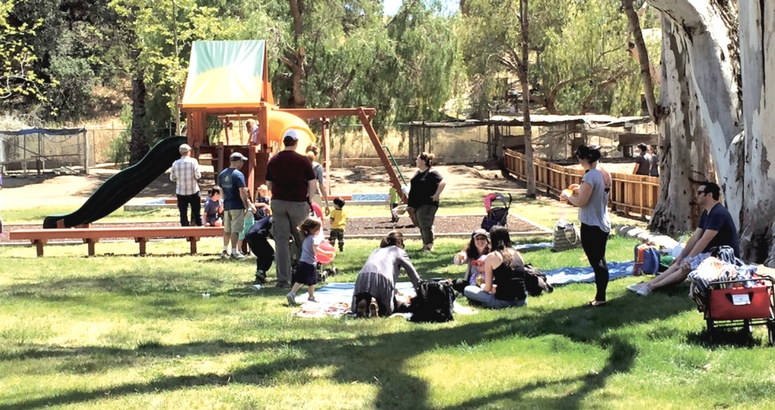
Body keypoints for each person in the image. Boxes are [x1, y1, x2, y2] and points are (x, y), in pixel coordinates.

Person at [627, 182, 740, 296]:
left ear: (709, 195)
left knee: (686, 267)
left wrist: (690, 258)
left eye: (700, 192)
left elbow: (704, 239)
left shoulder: (718, 213)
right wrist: (681, 256)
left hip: (723, 256)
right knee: (678, 263)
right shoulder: (707, 212)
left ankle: (652, 287)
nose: (697, 195)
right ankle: (648, 284)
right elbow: (696, 237)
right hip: (710, 253)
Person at [266, 129, 317, 288]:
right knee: (303, 240)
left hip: (279, 202)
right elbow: (312, 183)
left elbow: (268, 183)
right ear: (296, 142)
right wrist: (309, 198)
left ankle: (283, 280)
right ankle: (304, 277)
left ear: (284, 142)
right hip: (298, 203)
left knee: (281, 242)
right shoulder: (303, 161)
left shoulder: (273, 160)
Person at [562, 144, 611, 307]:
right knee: (601, 259)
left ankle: (601, 298)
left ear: (587, 159)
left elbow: (582, 202)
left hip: (591, 224)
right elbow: (596, 194)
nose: (578, 161)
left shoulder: (590, 177)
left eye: (579, 158)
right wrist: (580, 189)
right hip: (603, 222)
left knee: (596, 261)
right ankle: (601, 296)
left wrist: (567, 196)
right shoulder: (604, 173)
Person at [352, 231, 421, 318]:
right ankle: (377, 306)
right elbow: (412, 273)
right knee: (387, 311)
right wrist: (421, 289)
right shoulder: (399, 251)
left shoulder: (376, 251)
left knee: (361, 299)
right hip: (383, 279)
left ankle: (364, 302)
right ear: (399, 243)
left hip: (362, 277)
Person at [463, 226, 528, 309]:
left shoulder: (492, 256)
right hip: (522, 300)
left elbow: (487, 288)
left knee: (468, 289)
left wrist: (481, 286)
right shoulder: (518, 254)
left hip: (502, 301)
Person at [286, 217, 334, 306]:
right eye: (319, 229)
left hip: (302, 262)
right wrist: (326, 253)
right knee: (311, 281)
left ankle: (292, 293)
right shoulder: (314, 238)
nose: (320, 231)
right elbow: (316, 250)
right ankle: (311, 297)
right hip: (309, 263)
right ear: (313, 229)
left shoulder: (307, 238)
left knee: (300, 280)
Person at [218, 152, 256, 260]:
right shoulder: (238, 174)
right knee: (235, 229)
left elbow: (221, 190)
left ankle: (225, 250)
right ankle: (234, 252)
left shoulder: (222, 174)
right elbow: (242, 191)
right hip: (236, 205)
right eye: (242, 161)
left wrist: (225, 201)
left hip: (227, 205)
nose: (243, 163)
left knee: (227, 229)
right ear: (237, 161)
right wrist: (245, 205)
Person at [407, 152, 446, 252]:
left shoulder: (432, 172)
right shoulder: (418, 173)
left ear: (424, 161)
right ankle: (425, 245)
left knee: (424, 223)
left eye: (418, 159)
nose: (416, 161)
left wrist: (437, 194)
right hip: (417, 203)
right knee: (420, 224)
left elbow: (443, 182)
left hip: (428, 203)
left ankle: (429, 246)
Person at [169, 143, 202, 226]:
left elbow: (172, 178)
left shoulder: (175, 163)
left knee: (183, 213)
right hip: (193, 190)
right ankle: (198, 228)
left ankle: (185, 231)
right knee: (196, 212)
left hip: (181, 192)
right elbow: (198, 176)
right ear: (188, 152)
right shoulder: (193, 162)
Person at [451, 228, 492, 294]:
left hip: (487, 283)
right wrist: (459, 257)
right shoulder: (470, 252)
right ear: (473, 240)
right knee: (457, 283)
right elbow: (459, 262)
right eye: (477, 239)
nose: (480, 241)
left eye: (482, 238)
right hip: (471, 282)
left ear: (487, 240)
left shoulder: (491, 254)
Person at [246, 214, 274, 284]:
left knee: (261, 256)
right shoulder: (273, 218)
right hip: (257, 234)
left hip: (249, 235)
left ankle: (259, 276)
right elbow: (273, 233)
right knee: (270, 254)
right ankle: (261, 271)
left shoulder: (267, 219)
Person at [305, 148, 330, 216]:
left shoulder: (300, 165)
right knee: (317, 218)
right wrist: (327, 204)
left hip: (302, 195)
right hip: (314, 194)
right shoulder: (318, 167)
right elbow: (322, 186)